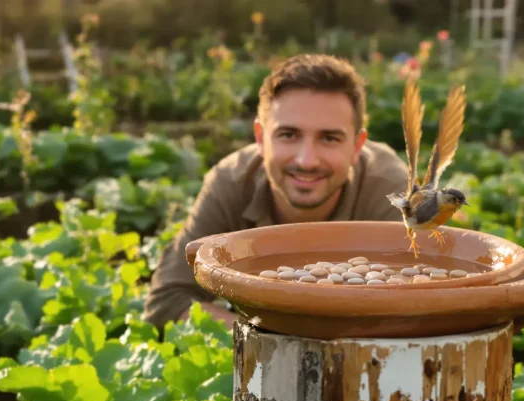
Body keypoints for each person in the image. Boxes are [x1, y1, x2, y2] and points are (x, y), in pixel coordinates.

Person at [142, 53, 410, 333]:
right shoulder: (232, 182)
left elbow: (417, 306)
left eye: (329, 138)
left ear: (357, 146)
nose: (307, 161)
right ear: (260, 138)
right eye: (288, 135)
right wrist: (269, 342)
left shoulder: (390, 191)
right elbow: (168, 300)